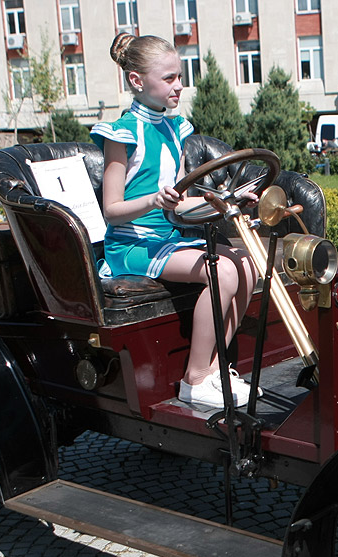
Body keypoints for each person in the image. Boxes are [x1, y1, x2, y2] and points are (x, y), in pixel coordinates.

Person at [91, 33, 261, 409]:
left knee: (247, 265)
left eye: (179, 77)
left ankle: (216, 371)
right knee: (224, 272)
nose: (179, 86)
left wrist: (226, 201)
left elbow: (180, 205)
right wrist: (153, 199)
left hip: (166, 239)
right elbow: (111, 210)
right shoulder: (121, 135)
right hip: (132, 246)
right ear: (137, 81)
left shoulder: (174, 129)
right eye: (169, 78)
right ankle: (194, 378)